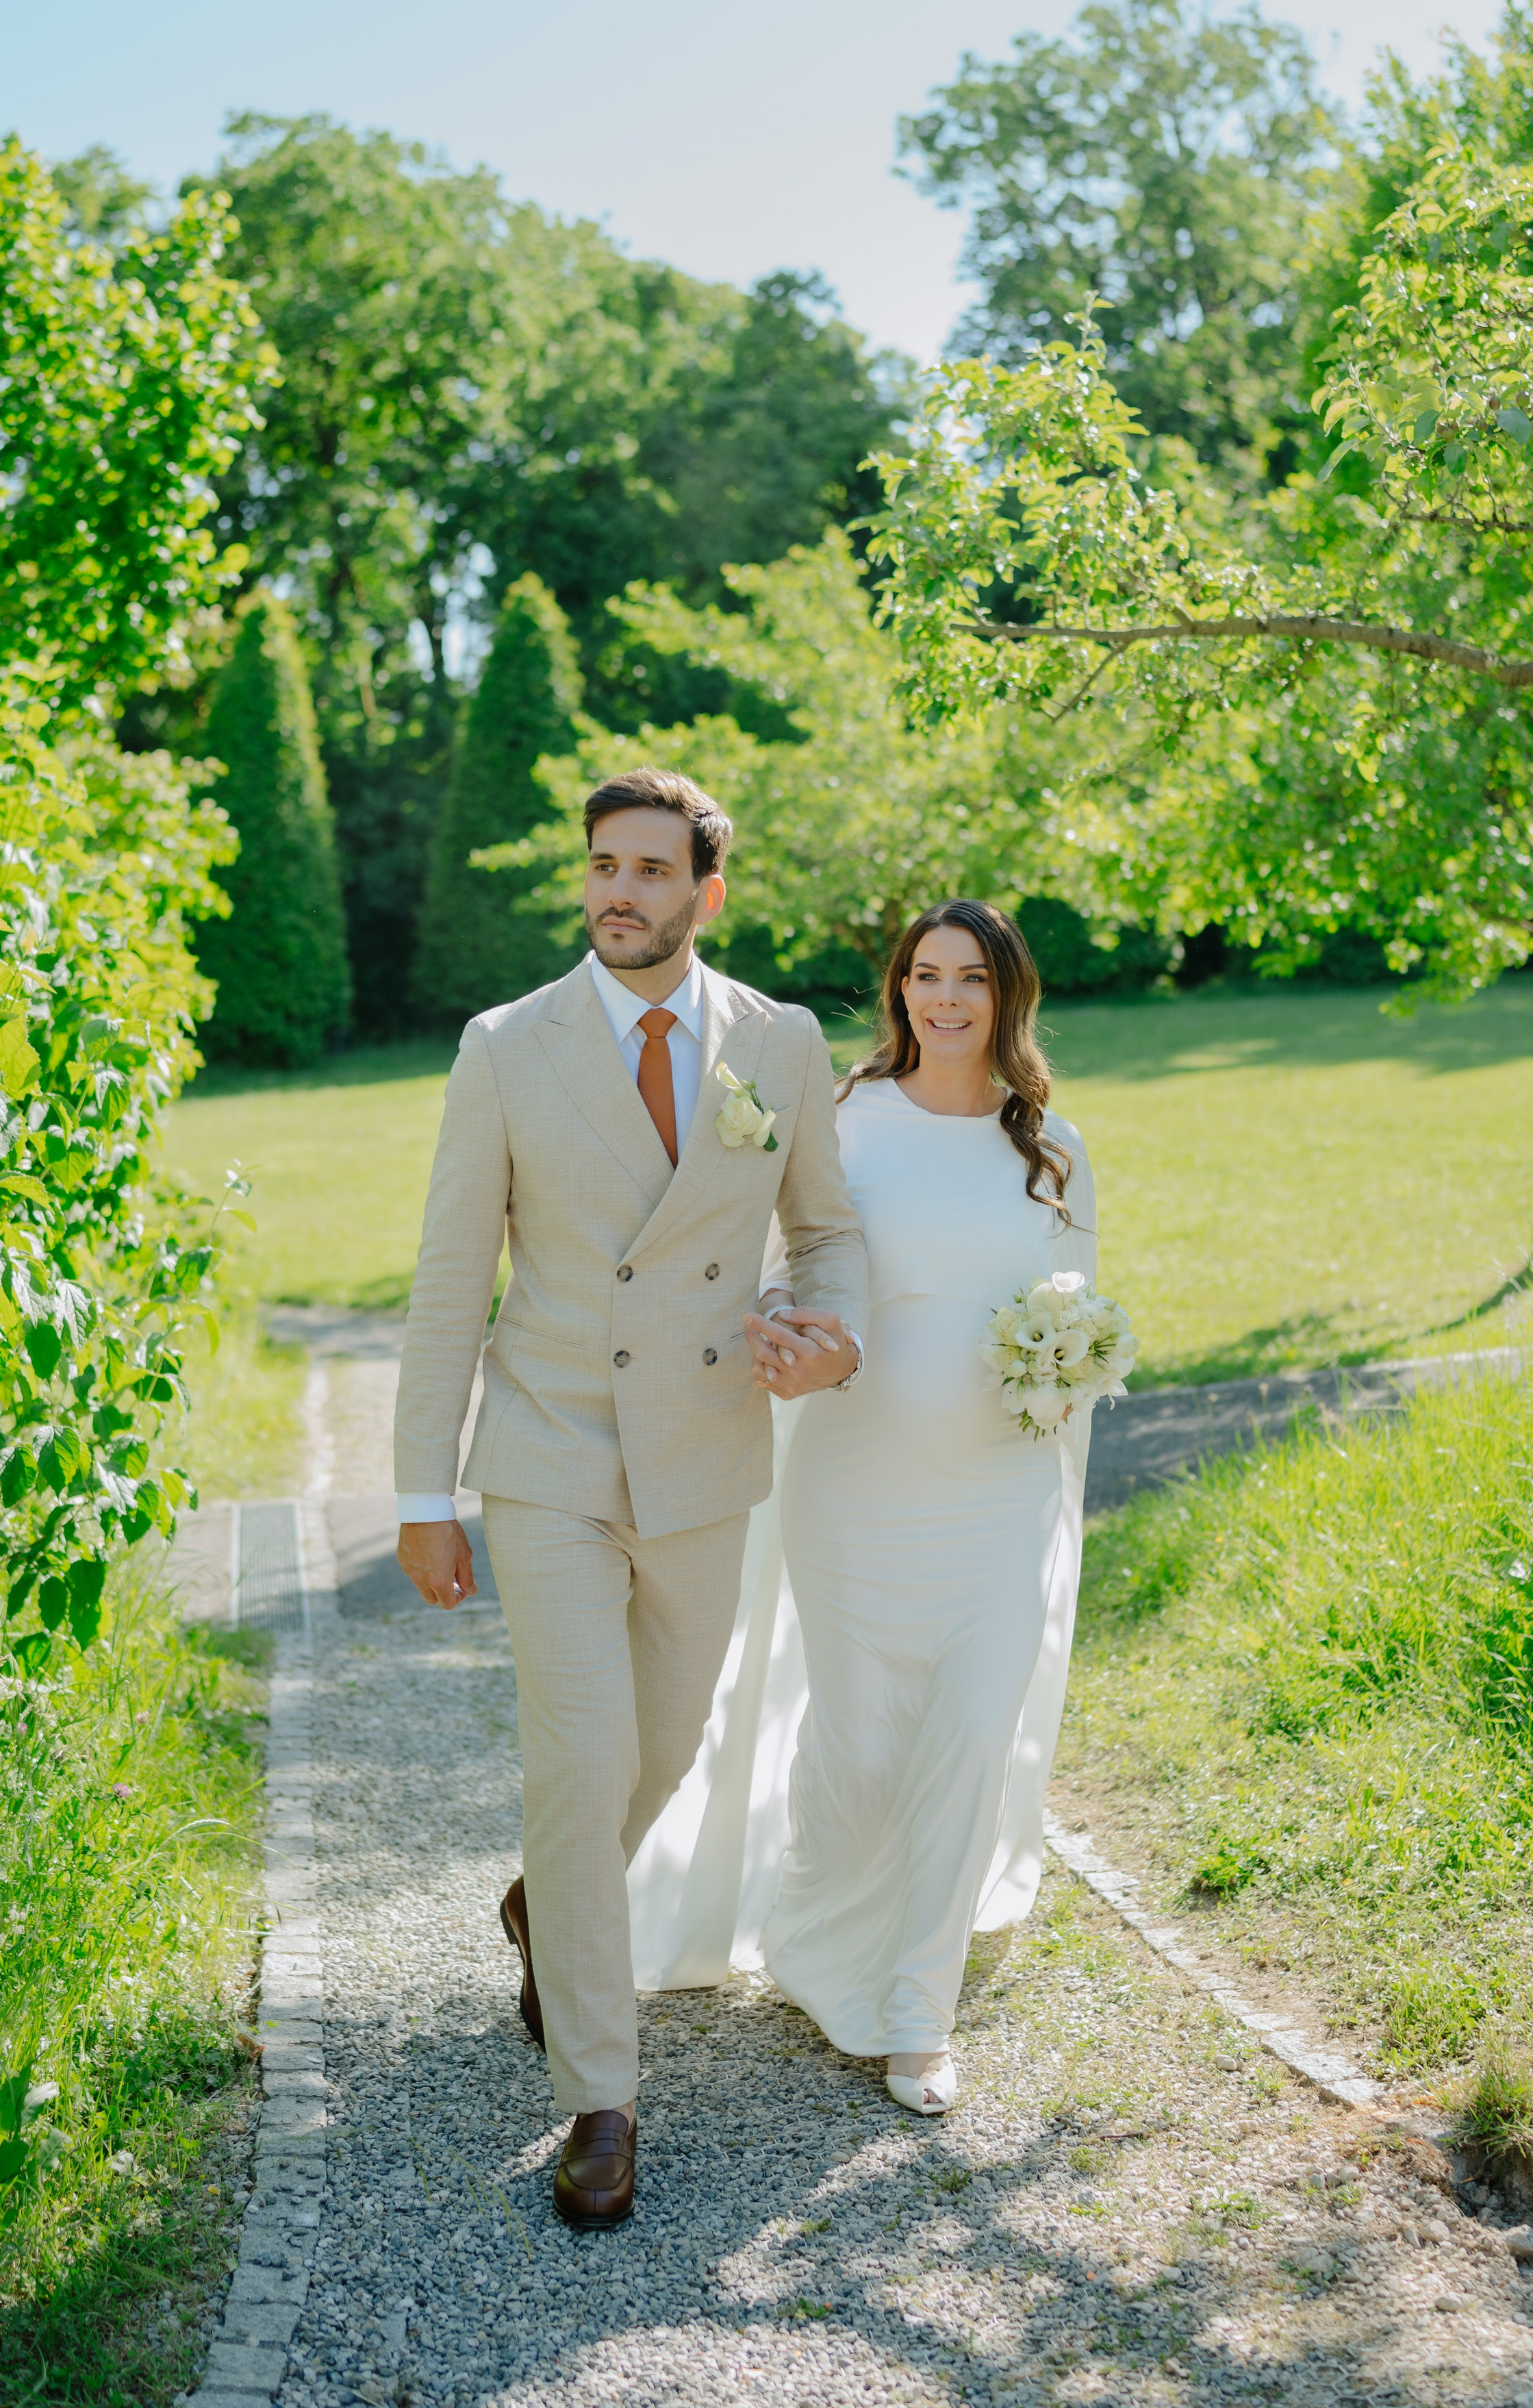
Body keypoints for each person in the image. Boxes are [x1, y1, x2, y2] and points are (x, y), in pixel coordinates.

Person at [392, 766, 868, 2227]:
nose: (620, 891)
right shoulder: (505, 1047)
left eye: (652, 871)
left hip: (706, 1452)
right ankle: (598, 2099)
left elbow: (826, 1233)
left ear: (704, 894)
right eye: (604, 865)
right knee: (585, 1757)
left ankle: (551, 1901)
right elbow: (446, 1278)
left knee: (659, 1751)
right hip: (546, 1450)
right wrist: (423, 1487)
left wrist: (826, 1335)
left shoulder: (775, 1044)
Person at [627, 900, 1100, 2116]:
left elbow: (1077, 1304)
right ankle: (820, 1938)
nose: (944, 1001)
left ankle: (916, 2017)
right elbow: (781, 1269)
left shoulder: (1051, 1148)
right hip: (856, 1485)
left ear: (1008, 999)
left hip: (997, 1491)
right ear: (898, 993)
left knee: (970, 1737)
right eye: (922, 977)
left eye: (970, 981)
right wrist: (786, 1332)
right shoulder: (842, 1121)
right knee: (863, 1747)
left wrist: (1067, 1367)